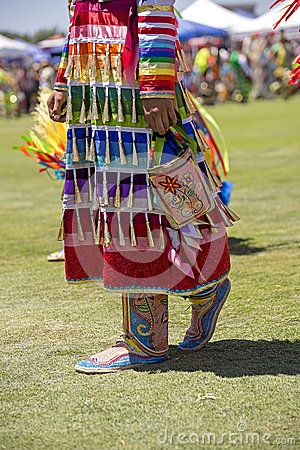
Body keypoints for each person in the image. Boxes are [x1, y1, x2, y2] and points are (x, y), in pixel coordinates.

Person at [48, 0, 238, 374]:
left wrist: (155, 83)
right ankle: (204, 289)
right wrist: (65, 80)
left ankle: (145, 340)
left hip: (133, 86)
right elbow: (79, 16)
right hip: (96, 91)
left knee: (142, 204)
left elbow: (155, 5)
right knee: (136, 201)